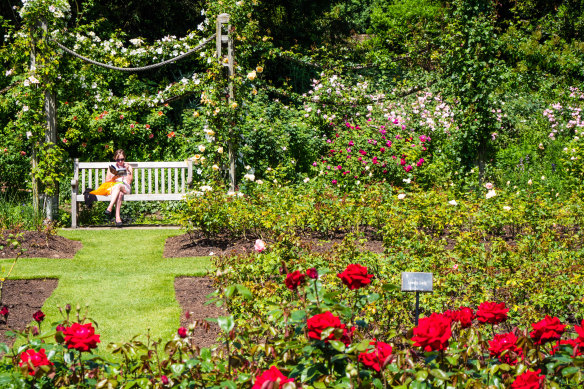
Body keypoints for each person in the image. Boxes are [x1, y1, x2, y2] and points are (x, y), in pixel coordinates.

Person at [104, 149, 133, 227]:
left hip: (125, 188)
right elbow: (107, 181)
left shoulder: (128, 167)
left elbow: (129, 181)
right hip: (115, 190)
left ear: (124, 158)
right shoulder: (112, 168)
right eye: (118, 159)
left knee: (119, 185)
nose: (120, 161)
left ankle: (110, 207)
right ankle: (118, 218)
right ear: (115, 159)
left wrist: (127, 171)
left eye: (122, 159)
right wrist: (114, 177)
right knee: (119, 193)